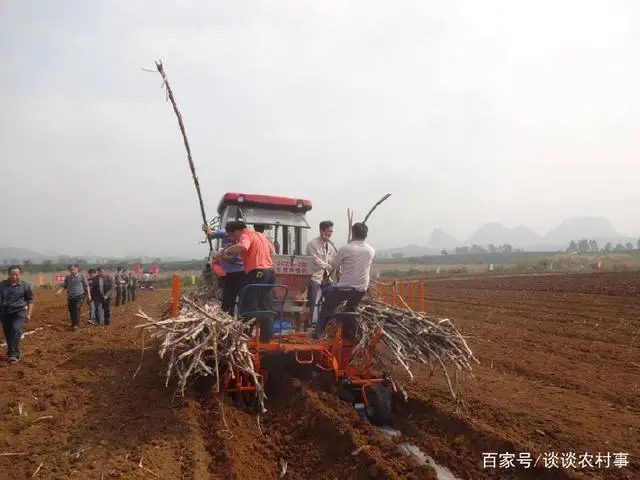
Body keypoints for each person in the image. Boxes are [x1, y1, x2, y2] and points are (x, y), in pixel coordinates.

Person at [218, 220, 276, 341]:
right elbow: (272, 251)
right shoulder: (260, 235)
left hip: (257, 273)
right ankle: (266, 338)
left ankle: (244, 337)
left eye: (231, 235)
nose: (232, 238)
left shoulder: (245, 234)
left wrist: (225, 251)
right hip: (269, 273)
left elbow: (243, 246)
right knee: (265, 305)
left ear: (237, 231)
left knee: (248, 306)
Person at [316, 222, 375, 339]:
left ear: (353, 234)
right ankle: (348, 335)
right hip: (361, 289)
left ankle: (319, 334)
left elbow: (334, 265)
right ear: (366, 235)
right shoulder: (371, 250)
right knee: (351, 310)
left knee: (327, 306)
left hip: (344, 288)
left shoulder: (346, 249)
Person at [202, 223, 246, 315]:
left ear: (236, 232)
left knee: (240, 298)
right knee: (227, 299)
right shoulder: (225, 233)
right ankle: (227, 316)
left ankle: (240, 318)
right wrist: (207, 229)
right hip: (229, 273)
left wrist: (220, 255)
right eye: (228, 235)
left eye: (232, 235)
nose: (230, 238)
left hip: (240, 273)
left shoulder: (242, 242)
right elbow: (211, 234)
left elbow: (233, 260)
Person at [305, 220, 338, 330]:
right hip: (315, 276)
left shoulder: (331, 246)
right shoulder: (312, 244)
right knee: (313, 300)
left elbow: (333, 260)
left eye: (331, 231)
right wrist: (328, 266)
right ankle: (310, 323)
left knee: (330, 299)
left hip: (327, 278)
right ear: (322, 231)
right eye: (329, 231)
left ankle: (325, 323)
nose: (330, 233)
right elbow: (315, 260)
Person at [0, 265, 34, 363]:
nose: (14, 276)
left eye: (16, 274)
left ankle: (13, 354)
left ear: (20, 274)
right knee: (8, 334)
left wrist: (29, 314)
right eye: (12, 274)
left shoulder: (25, 286)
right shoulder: (2, 285)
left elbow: (30, 300)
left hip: (19, 312)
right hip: (5, 312)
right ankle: (13, 352)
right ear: (8, 274)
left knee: (16, 329)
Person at [56, 264, 91, 331]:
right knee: (71, 310)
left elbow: (87, 286)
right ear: (69, 270)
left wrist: (89, 295)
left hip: (79, 296)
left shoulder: (81, 276)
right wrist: (59, 291)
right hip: (70, 296)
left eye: (74, 269)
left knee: (76, 309)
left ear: (77, 269)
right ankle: (73, 323)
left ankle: (76, 325)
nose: (72, 271)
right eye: (71, 270)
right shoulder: (68, 277)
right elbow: (64, 286)